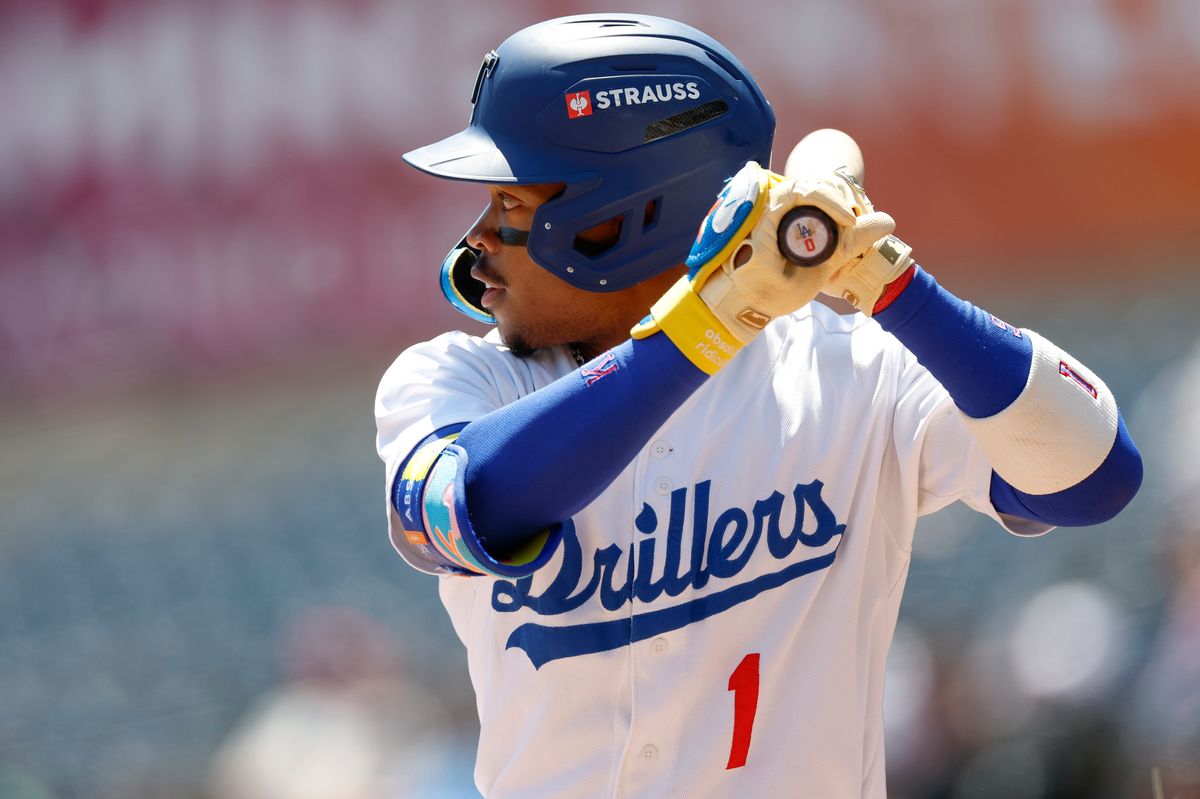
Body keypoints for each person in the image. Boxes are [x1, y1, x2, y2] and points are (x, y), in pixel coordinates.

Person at [375, 14, 1142, 798]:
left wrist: (896, 290)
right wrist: (706, 325)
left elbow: (1095, 479)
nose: (476, 241)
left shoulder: (852, 370)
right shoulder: (456, 380)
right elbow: (466, 508)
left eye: (509, 204)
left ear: (623, 217)